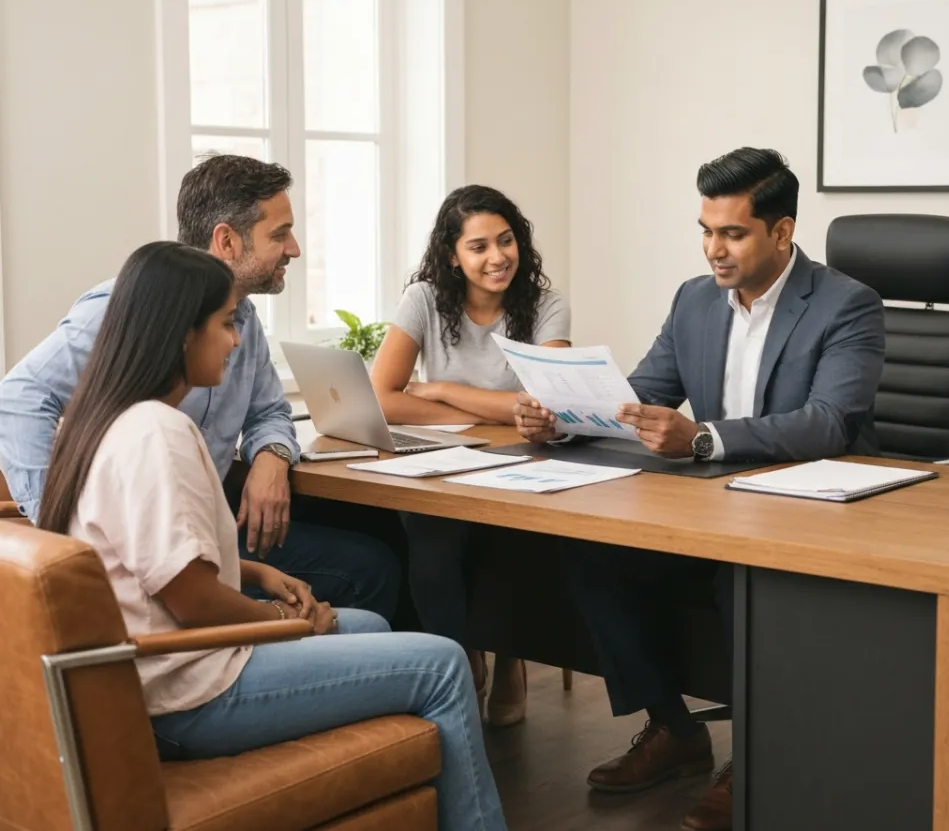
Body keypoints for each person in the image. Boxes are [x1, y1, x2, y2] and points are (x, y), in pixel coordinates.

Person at [37, 241, 507, 831]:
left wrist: (259, 575)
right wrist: (281, 624)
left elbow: (157, 566)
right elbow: (191, 600)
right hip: (186, 692)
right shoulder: (156, 434)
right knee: (441, 663)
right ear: (183, 334)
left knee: (371, 625)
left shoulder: (102, 418)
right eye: (225, 324)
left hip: (163, 669)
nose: (236, 340)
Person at [514, 148, 886, 831]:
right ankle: (674, 729)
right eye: (706, 231)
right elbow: (642, 399)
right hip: (711, 504)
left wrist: (705, 439)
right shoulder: (694, 299)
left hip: (810, 509)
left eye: (733, 233)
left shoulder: (847, 305)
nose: (715, 250)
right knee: (593, 551)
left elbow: (830, 424)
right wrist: (560, 420)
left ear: (781, 232)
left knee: (738, 578)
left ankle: (760, 757)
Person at [0, 155, 402, 622]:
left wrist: (271, 457)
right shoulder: (128, 310)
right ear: (226, 240)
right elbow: (19, 397)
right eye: (279, 233)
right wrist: (56, 530)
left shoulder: (245, 319)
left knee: (381, 540)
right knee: (370, 570)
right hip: (154, 548)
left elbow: (269, 410)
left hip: (210, 529)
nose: (294, 249)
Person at [370, 184, 570, 726]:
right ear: (452, 256)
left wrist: (442, 391)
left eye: (505, 241)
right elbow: (382, 397)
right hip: (449, 459)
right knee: (428, 530)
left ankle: (510, 658)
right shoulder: (425, 301)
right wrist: (500, 410)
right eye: (478, 247)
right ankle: (461, 661)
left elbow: (548, 403)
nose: (497, 257)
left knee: (515, 539)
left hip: (528, 462)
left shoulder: (547, 306)